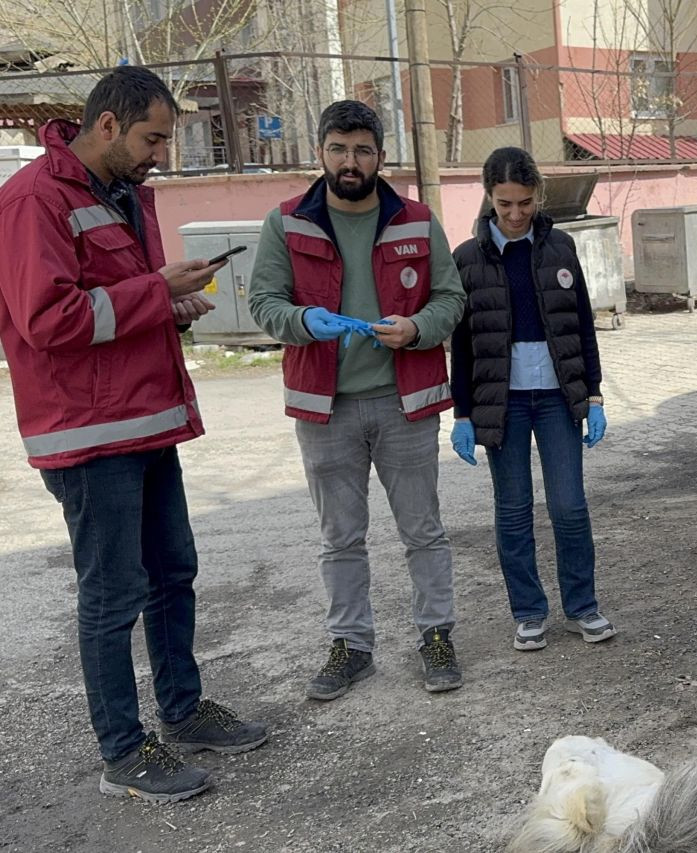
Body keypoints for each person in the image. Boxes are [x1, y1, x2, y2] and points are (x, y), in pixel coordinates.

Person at [0, 66, 268, 804]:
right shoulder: (32, 201)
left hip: (144, 422)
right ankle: (123, 751)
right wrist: (158, 291)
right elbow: (47, 320)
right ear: (109, 125)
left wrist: (168, 308)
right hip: (88, 436)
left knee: (172, 572)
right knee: (113, 595)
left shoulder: (120, 193)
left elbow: (112, 302)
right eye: (153, 137)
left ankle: (182, 709)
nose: (161, 153)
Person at [248, 100, 466, 699]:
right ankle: (351, 645)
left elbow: (451, 298)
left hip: (404, 401)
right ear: (320, 152)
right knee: (340, 537)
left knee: (423, 530)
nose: (351, 161)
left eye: (363, 150)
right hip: (326, 407)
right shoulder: (286, 222)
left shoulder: (418, 221)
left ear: (380, 156)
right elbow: (263, 302)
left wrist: (418, 328)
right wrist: (302, 321)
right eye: (339, 149)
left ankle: (436, 636)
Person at [449, 146, 614, 652]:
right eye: (504, 205)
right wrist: (462, 413)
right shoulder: (467, 258)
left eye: (524, 202)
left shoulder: (560, 248)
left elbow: (582, 323)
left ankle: (582, 606)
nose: (516, 214)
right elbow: (461, 344)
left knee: (569, 506)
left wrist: (595, 393)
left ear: (538, 195)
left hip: (559, 397)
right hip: (503, 402)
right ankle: (528, 612)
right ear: (489, 199)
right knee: (514, 509)